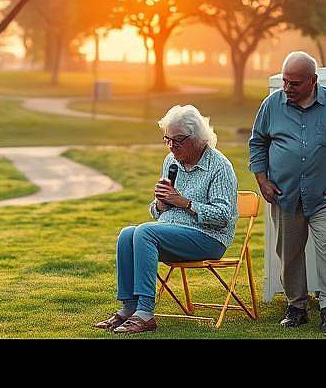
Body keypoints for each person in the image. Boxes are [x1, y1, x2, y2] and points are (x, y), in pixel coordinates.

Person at [248, 51, 326, 336]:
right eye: (285, 81)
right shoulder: (271, 105)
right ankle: (297, 307)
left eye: (295, 83)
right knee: (289, 253)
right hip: (285, 195)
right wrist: (262, 181)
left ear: (313, 81)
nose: (287, 88)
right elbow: (257, 143)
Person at [94, 105, 238, 335]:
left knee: (145, 232)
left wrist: (184, 202)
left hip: (209, 239)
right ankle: (129, 308)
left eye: (177, 140)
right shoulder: (171, 161)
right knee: (127, 234)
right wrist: (161, 203)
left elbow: (222, 217)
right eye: (167, 139)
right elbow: (158, 212)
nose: (171, 146)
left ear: (197, 138)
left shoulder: (219, 166)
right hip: (172, 233)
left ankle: (145, 313)